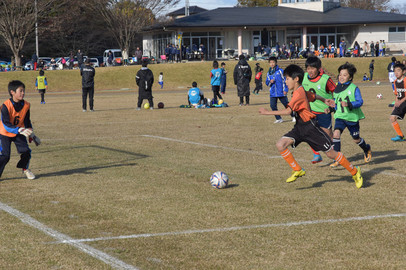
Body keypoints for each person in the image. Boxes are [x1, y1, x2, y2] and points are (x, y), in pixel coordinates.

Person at [258, 64, 363, 188]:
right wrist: (324, 100)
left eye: (287, 79)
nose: (285, 82)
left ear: (296, 79)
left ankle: (355, 172)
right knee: (280, 144)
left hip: (310, 128)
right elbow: (311, 96)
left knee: (330, 153)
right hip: (299, 127)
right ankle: (297, 169)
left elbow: (288, 112)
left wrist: (267, 112)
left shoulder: (298, 93)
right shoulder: (299, 90)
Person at [326, 62, 372, 167]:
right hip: (340, 117)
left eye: (345, 75)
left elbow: (360, 102)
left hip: (351, 118)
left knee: (356, 139)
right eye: (340, 74)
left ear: (350, 77)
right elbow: (336, 103)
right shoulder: (336, 88)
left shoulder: (354, 88)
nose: (341, 77)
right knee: (336, 134)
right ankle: (337, 158)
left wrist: (349, 104)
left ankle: (367, 148)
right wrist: (330, 109)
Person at [0, 80, 41, 180]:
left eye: (24, 91)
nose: (23, 93)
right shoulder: (5, 106)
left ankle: (25, 169)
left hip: (19, 131)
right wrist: (19, 130)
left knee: (26, 152)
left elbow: (27, 121)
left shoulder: (26, 105)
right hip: (5, 133)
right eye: (20, 91)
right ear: (12, 92)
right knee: (5, 156)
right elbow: (6, 124)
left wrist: (32, 134)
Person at [302, 56, 336, 164]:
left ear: (318, 68)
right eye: (308, 68)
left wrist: (332, 106)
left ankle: (336, 155)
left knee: (327, 135)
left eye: (312, 68)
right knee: (308, 133)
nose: (310, 71)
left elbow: (336, 91)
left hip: (323, 112)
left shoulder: (325, 79)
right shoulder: (304, 77)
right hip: (309, 111)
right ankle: (316, 154)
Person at [265, 57, 293, 123]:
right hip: (273, 93)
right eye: (270, 63)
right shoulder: (268, 73)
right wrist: (270, 81)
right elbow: (267, 83)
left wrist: (285, 89)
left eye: (273, 62)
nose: (272, 64)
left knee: (286, 105)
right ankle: (278, 118)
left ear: (276, 63)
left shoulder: (280, 71)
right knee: (272, 106)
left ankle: (293, 116)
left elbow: (285, 80)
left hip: (281, 91)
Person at [389, 63, 406, 141]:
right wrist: (395, 104)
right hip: (401, 103)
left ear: (403, 71)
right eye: (395, 71)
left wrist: (401, 101)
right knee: (392, 118)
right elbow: (397, 95)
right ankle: (400, 136)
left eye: (398, 70)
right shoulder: (395, 82)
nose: (396, 73)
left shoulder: (405, 80)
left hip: (403, 102)